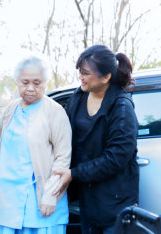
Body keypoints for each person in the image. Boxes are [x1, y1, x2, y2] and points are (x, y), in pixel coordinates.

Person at [0, 57, 72, 234]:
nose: (30, 88)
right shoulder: (10, 110)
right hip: (9, 201)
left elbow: (63, 158)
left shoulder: (55, 112)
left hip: (41, 202)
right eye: (25, 82)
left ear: (45, 83)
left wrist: (50, 195)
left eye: (37, 83)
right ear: (17, 82)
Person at [54, 45, 139, 234]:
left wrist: (74, 173)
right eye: (79, 72)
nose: (81, 77)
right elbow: (62, 133)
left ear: (106, 77)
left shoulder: (122, 108)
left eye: (85, 73)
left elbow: (116, 158)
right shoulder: (78, 97)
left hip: (115, 201)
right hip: (88, 198)